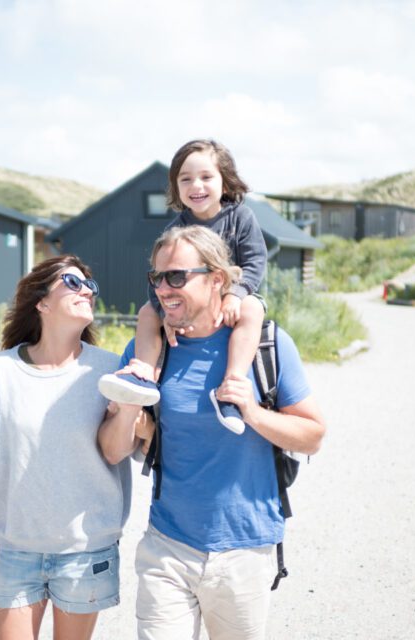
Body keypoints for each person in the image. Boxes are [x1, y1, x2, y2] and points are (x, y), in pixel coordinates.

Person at [98, 226, 326, 640]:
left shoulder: (266, 346)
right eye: (157, 278)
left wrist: (253, 413)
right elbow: (113, 452)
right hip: (167, 547)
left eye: (177, 277)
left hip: (246, 548)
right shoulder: (148, 352)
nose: (163, 289)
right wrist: (131, 404)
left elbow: (313, 435)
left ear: (217, 279)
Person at [0, 255, 140, 640]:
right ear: (41, 302)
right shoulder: (1, 371)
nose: (86, 289)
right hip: (17, 550)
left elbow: (123, 450)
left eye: (90, 285)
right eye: (72, 281)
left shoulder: (110, 371)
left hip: (87, 552)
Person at [98, 139, 268, 434]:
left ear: (225, 183)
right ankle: (143, 376)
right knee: (146, 313)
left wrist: (236, 294)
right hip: (187, 306)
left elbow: (255, 262)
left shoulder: (241, 217)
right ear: (176, 187)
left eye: (206, 177)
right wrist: (167, 314)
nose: (196, 185)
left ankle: (232, 387)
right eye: (185, 179)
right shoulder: (174, 230)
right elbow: (161, 278)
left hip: (235, 296)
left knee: (253, 309)